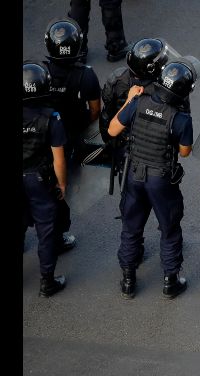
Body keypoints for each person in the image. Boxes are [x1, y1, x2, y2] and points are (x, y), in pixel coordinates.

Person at [108, 57, 197, 299]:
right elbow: (184, 152)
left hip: (134, 174)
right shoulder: (181, 119)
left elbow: (112, 129)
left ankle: (128, 280)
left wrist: (129, 100)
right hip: (161, 179)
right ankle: (170, 282)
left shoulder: (138, 102)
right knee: (169, 229)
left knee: (131, 227)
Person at [44, 18, 102, 252]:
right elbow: (95, 111)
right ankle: (57, 236)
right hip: (69, 139)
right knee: (61, 187)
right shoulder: (86, 76)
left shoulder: (40, 72)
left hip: (39, 138)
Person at [100, 38, 174, 200]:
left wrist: (113, 146)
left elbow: (106, 116)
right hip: (155, 155)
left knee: (130, 204)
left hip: (125, 150)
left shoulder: (116, 78)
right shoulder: (163, 89)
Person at [23, 61, 69, 297]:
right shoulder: (51, 117)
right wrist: (62, 184)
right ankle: (47, 282)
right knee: (46, 232)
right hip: (39, 180)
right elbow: (58, 159)